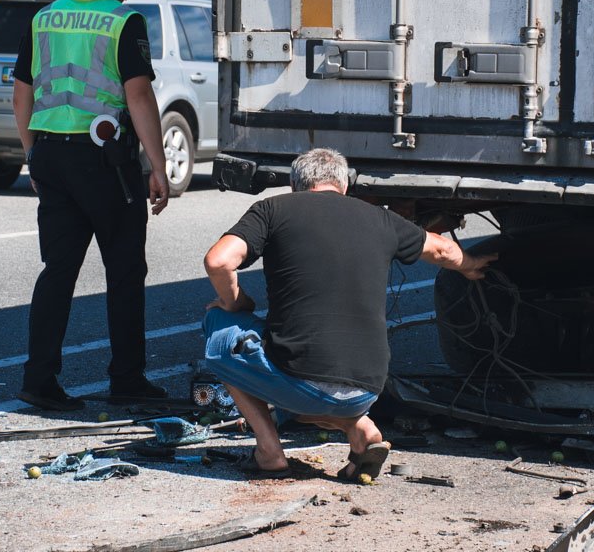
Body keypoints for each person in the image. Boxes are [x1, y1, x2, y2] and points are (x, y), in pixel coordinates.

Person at [201, 148, 495, 479]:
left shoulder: (273, 209)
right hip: (367, 390)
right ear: (343, 186)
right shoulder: (381, 219)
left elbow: (219, 261)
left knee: (219, 325)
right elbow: (443, 249)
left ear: (296, 185)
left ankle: (269, 451)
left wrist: (236, 302)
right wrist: (471, 267)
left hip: (301, 383)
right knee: (316, 386)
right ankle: (360, 427)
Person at [12, 0, 170, 412]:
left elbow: (22, 94)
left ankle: (39, 381)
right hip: (104, 163)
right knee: (124, 271)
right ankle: (126, 378)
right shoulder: (124, 20)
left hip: (50, 157)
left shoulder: (44, 16)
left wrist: (31, 155)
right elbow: (138, 96)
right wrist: (157, 166)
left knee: (57, 271)